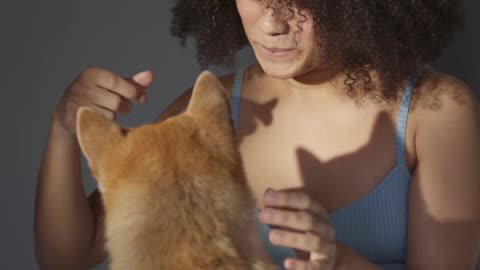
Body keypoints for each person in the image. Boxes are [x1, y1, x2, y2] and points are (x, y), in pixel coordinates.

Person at [34, 0, 480, 269]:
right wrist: (62, 130)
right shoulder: (213, 106)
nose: (271, 23)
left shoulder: (435, 112)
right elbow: (69, 258)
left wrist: (338, 261)